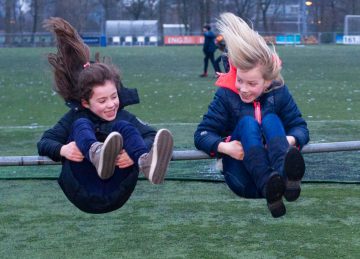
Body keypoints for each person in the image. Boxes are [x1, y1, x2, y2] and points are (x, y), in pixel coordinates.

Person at [37, 17, 174, 214]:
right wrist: (63, 150)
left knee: (124, 128)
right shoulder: (76, 116)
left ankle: (146, 163)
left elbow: (152, 136)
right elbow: (44, 142)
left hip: (117, 189)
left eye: (114, 97)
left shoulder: (122, 115)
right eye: (102, 101)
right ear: (86, 102)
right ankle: (97, 153)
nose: (111, 105)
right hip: (81, 187)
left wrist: (133, 153)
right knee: (81, 124)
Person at [194, 13, 309, 218]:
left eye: (252, 83)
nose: (243, 89)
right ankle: (269, 184)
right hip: (242, 177)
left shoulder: (279, 92)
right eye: (240, 80)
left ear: (267, 82)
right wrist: (226, 147)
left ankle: (288, 181)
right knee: (248, 123)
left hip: (278, 181)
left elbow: (300, 127)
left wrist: (288, 140)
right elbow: (202, 134)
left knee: (271, 120)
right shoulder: (226, 95)